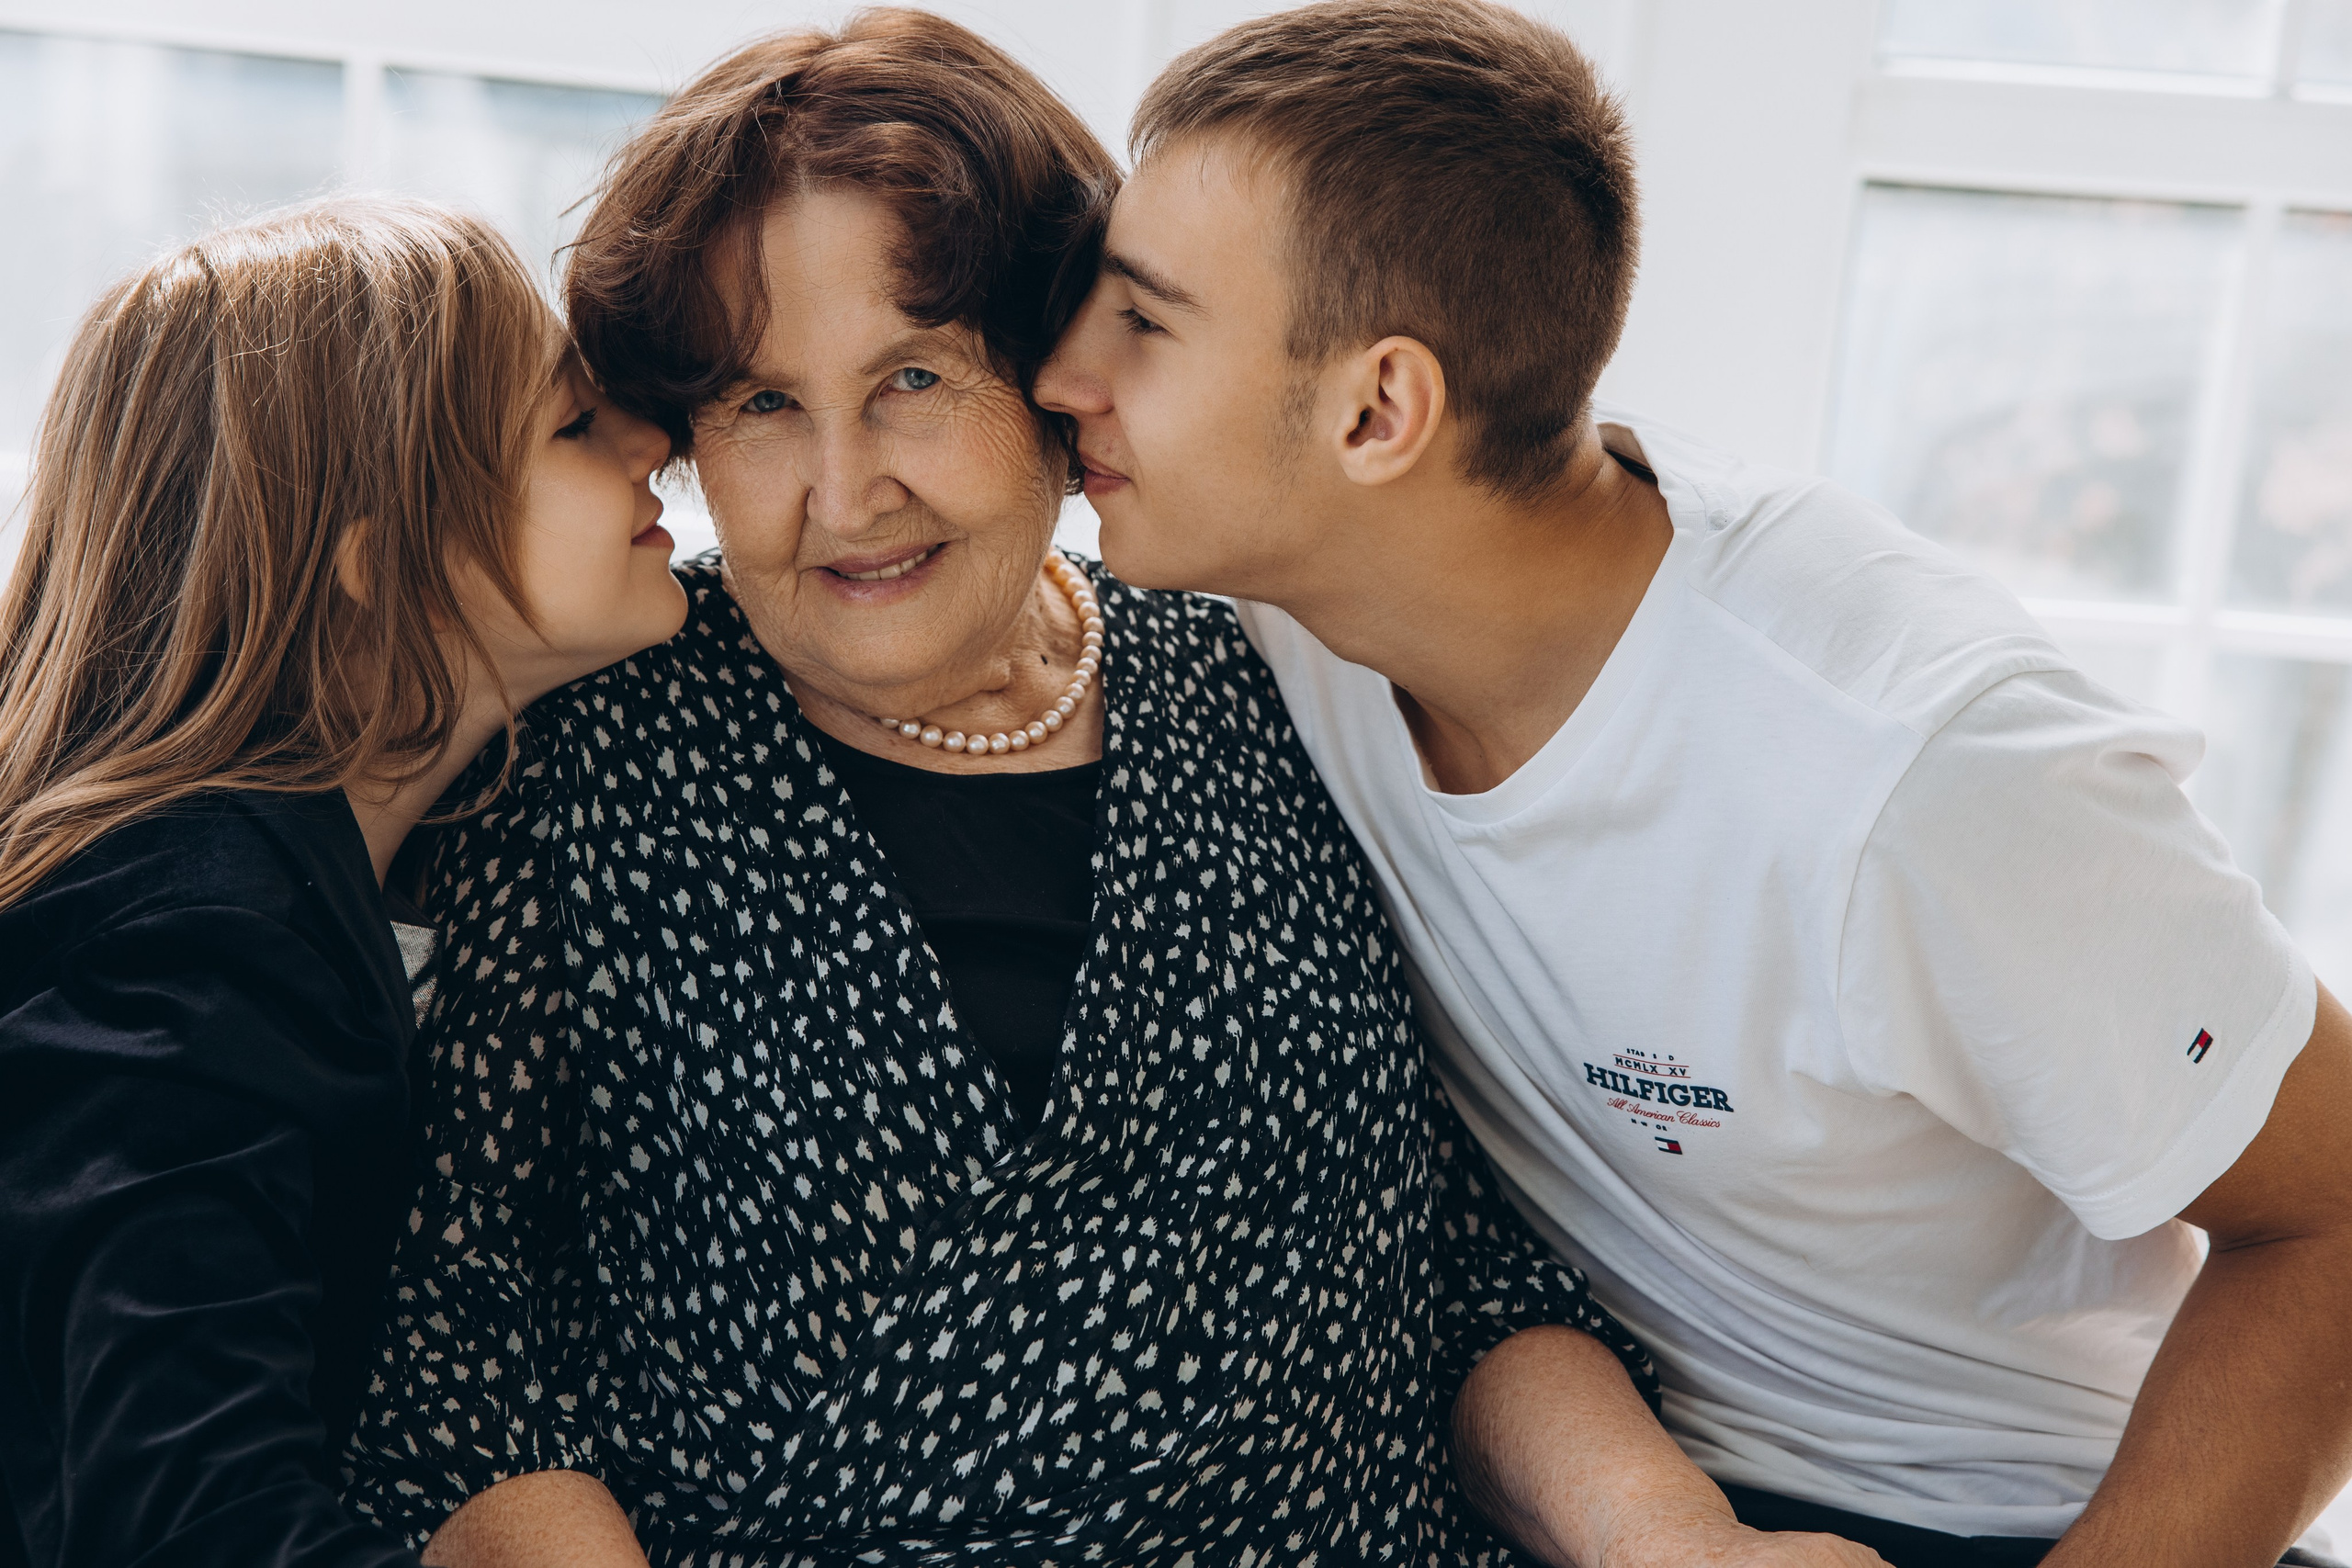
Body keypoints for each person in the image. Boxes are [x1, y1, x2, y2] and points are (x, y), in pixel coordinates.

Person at [335, 15, 1706, 1568]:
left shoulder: (1267, 677)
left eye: (916, 377)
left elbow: (1461, 1272)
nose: (847, 498)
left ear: (1060, 377)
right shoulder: (591, 746)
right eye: (762, 405)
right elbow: (456, 1366)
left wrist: (1675, 1535)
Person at [1033, 2, 2352, 1566]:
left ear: (1378, 411)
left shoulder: (1911, 774)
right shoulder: (1255, 605)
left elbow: (2333, 1217)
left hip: (2004, 1516)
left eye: (1146, 322)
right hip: (1583, 1475)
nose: (1062, 373)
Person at [0, 197, 687, 1568]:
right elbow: (187, 1522)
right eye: (571, 427)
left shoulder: (285, 869)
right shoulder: (190, 939)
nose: (655, 441)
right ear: (378, 566)